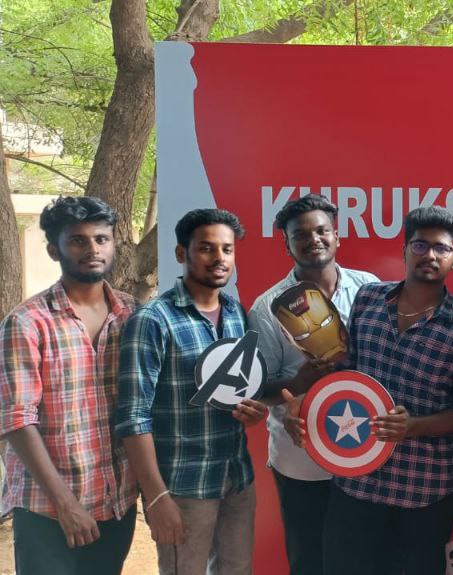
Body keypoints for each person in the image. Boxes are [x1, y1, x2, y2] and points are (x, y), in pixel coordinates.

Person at [287, 206, 453, 575]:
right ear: (404, 250)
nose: (430, 255)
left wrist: (414, 427)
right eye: (420, 245)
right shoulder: (368, 299)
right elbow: (346, 374)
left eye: (441, 248)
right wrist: (306, 404)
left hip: (422, 492)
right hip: (355, 486)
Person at [116, 208, 270, 575]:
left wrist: (255, 411)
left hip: (237, 476)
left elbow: (239, 390)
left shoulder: (235, 312)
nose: (219, 258)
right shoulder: (153, 320)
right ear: (181, 253)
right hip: (183, 486)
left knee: (238, 570)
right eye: (206, 248)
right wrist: (156, 497)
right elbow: (133, 416)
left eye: (227, 249)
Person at [0, 197, 137, 574]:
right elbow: (17, 420)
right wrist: (66, 504)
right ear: (53, 249)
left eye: (101, 239)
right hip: (48, 510)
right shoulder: (27, 323)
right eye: (78, 240)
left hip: (117, 502)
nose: (92, 249)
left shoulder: (132, 314)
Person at [246, 195, 379, 575]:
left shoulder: (369, 289)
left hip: (365, 453)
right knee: (309, 561)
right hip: (302, 459)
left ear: (337, 236)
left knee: (364, 560)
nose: (313, 240)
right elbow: (257, 389)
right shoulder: (268, 307)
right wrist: (298, 382)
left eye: (322, 231)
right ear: (286, 243)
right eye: (300, 235)